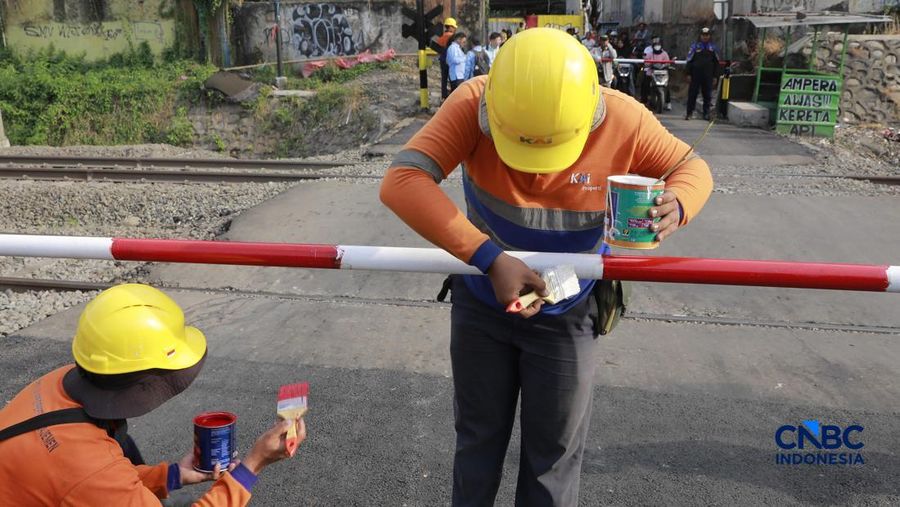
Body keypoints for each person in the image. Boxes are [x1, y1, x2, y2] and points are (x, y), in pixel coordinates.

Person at [380, 28, 712, 506]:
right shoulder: (474, 103)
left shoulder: (623, 118)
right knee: (477, 441)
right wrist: (489, 260)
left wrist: (677, 204)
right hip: (483, 311)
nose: (536, 170)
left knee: (553, 458)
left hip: (567, 317)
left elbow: (693, 168)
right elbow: (402, 181)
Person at [0, 284, 307, 506]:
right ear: (144, 385)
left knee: (124, 446)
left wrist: (173, 475)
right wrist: (252, 465)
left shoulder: (55, 382)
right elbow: (95, 478)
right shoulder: (89, 468)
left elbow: (102, 479)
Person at [685, 27, 720, 120]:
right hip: (695, 75)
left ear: (709, 36)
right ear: (700, 36)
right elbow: (689, 61)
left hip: (708, 75)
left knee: (707, 95)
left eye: (707, 35)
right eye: (703, 35)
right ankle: (689, 113)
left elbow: (716, 63)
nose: (705, 37)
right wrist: (688, 74)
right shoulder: (694, 47)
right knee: (692, 94)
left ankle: (706, 114)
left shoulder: (713, 48)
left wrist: (715, 76)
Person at [641, 36, 672, 110]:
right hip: (652, 72)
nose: (657, 47)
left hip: (662, 73)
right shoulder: (650, 54)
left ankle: (668, 102)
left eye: (658, 45)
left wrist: (666, 65)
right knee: (645, 83)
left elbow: (668, 62)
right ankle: (645, 101)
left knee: (667, 87)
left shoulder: (664, 54)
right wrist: (649, 64)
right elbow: (646, 62)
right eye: (655, 45)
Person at [437, 18, 459, 101]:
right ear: (450, 27)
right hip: (451, 61)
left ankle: (444, 96)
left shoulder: (441, 37)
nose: (455, 29)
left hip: (442, 60)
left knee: (444, 78)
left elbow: (438, 49)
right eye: (453, 27)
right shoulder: (453, 37)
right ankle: (453, 95)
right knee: (452, 78)